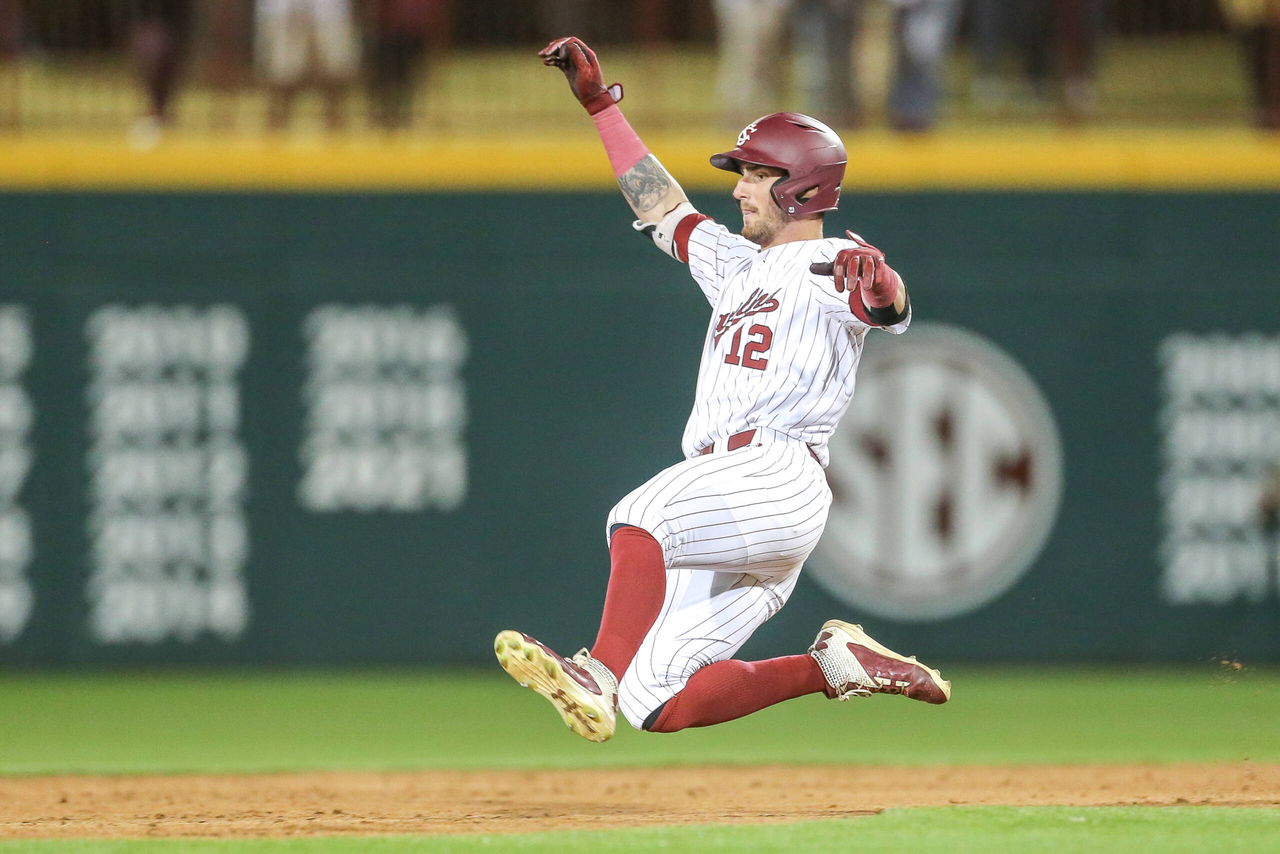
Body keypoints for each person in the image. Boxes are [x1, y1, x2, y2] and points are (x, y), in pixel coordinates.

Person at [494, 36, 950, 743]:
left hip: (778, 471)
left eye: (754, 173)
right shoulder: (737, 264)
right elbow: (661, 206)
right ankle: (835, 666)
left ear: (800, 184)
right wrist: (598, 109)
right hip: (735, 494)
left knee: (639, 516)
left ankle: (595, 675)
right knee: (656, 701)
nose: (737, 186)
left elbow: (883, 308)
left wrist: (886, 289)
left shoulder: (829, 260)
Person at [254, 0, 360, 131]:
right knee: (283, 70)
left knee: (334, 66)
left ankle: (336, 129)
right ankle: (276, 129)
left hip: (328, 8)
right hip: (285, 8)